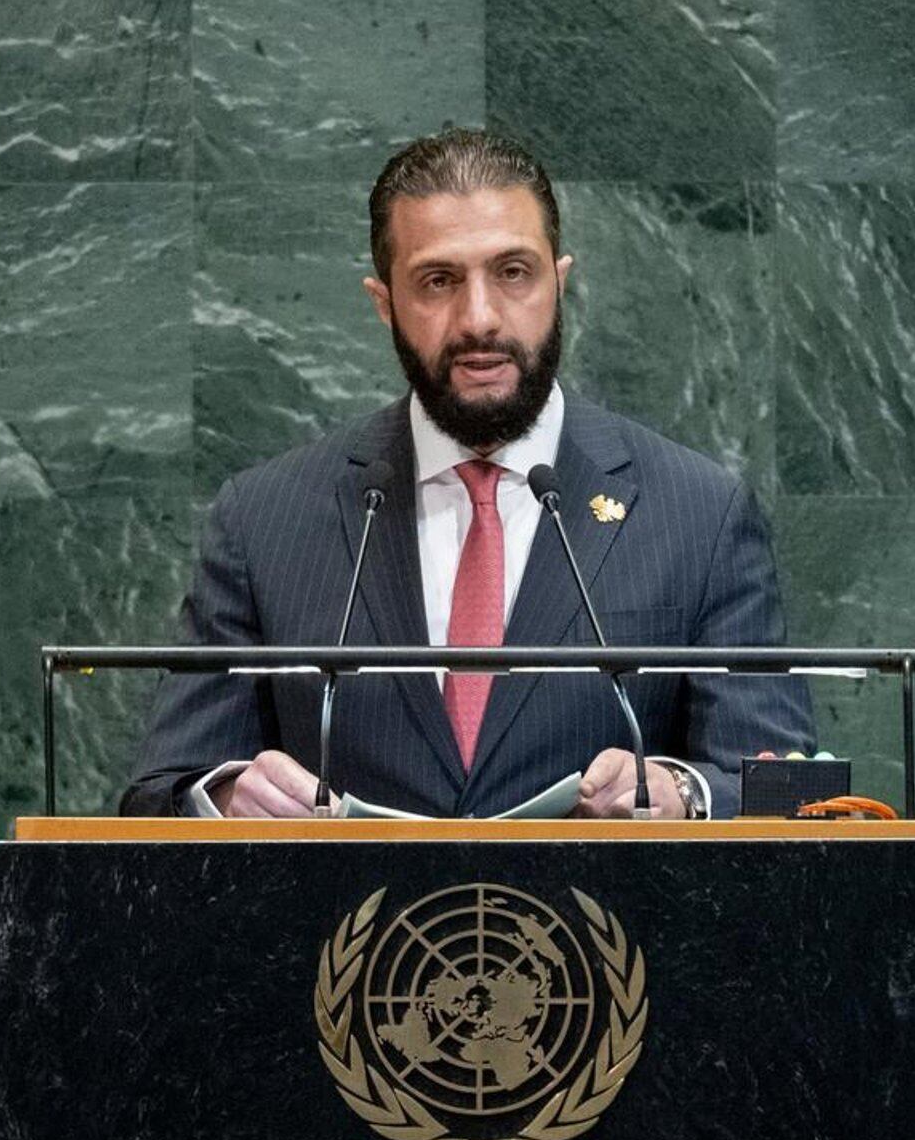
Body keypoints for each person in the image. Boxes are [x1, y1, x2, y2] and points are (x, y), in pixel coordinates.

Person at [120, 128, 812, 820]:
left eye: (513, 272)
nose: (479, 318)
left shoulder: (700, 514)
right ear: (384, 302)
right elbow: (159, 793)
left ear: (559, 281)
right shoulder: (264, 519)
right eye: (438, 281)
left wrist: (684, 794)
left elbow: (793, 792)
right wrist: (226, 796)